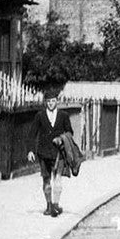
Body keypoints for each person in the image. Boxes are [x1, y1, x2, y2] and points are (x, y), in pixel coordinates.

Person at [28, 89, 73, 217]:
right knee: (46, 179)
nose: (51, 104)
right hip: (43, 153)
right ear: (45, 103)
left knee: (58, 178)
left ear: (57, 102)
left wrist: (61, 138)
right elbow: (32, 134)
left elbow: (70, 132)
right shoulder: (40, 116)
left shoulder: (63, 116)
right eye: (48, 101)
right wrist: (31, 150)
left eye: (53, 101)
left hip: (59, 153)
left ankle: (56, 204)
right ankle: (48, 205)